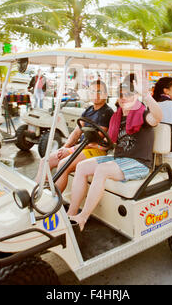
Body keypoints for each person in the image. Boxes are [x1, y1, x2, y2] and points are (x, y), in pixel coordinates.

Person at [67, 73, 162, 231]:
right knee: (82, 166)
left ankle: (82, 218)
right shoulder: (117, 118)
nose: (123, 98)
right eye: (120, 95)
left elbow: (158, 117)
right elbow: (109, 143)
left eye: (128, 95)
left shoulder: (142, 114)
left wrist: (147, 94)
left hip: (139, 163)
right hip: (120, 160)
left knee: (102, 170)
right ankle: (71, 213)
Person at [34, 80, 114, 193]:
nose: (95, 95)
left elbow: (94, 140)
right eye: (92, 91)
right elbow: (77, 132)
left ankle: (54, 198)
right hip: (81, 147)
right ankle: (37, 193)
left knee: (63, 165)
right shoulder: (88, 110)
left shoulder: (107, 113)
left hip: (95, 149)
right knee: (45, 161)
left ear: (105, 94)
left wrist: (72, 149)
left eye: (99, 92)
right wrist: (65, 147)